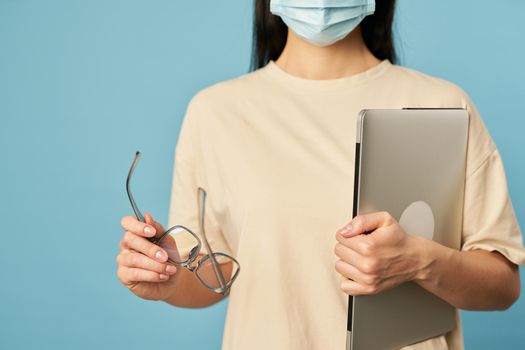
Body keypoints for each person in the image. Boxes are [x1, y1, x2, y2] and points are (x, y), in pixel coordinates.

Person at [116, 0, 525, 349]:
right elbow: (215, 271)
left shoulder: (442, 105)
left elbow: (503, 285)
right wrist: (167, 279)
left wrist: (420, 261)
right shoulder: (215, 112)